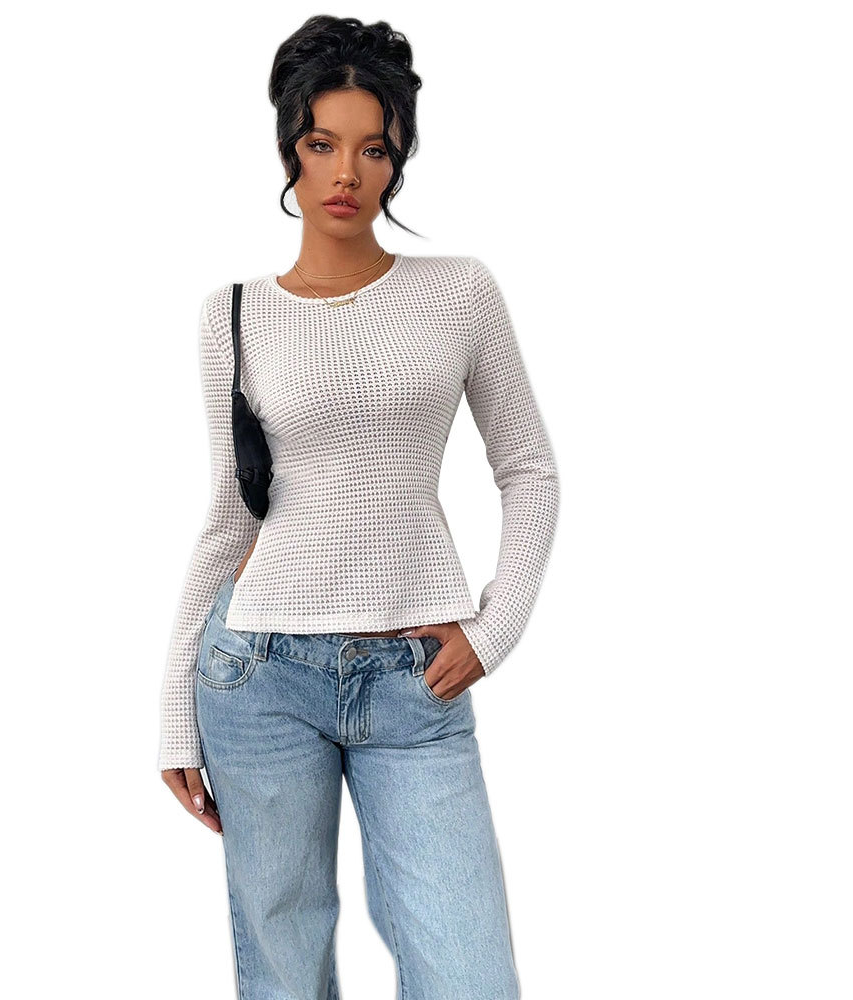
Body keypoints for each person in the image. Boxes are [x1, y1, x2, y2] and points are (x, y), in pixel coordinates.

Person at [158, 15, 559, 1000]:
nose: (346, 173)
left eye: (372, 149)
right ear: (289, 149)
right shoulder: (233, 315)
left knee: (469, 977)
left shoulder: (458, 293)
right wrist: (173, 710)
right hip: (257, 673)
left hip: (414, 680)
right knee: (285, 974)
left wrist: (495, 628)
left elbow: (529, 470)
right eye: (321, 143)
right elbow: (230, 517)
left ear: (397, 159)